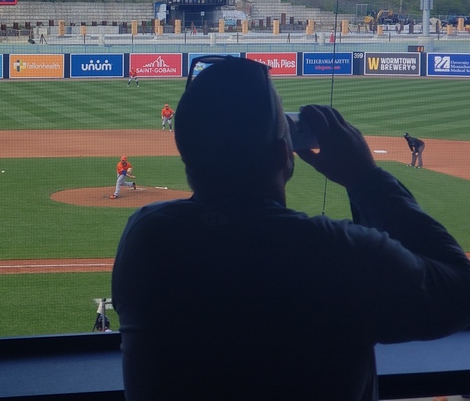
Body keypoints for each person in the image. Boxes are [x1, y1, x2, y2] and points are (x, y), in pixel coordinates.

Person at [112, 55, 470, 400]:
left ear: (186, 152)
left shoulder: (146, 237)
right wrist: (365, 178)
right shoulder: (338, 253)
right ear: (285, 154)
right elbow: (460, 294)